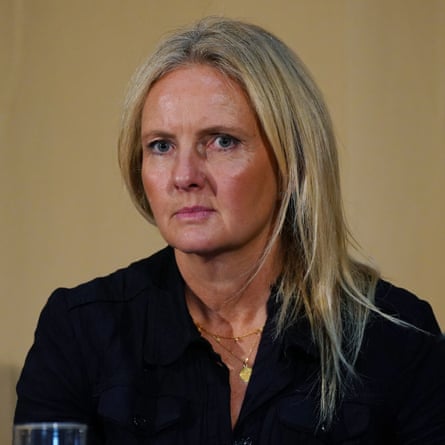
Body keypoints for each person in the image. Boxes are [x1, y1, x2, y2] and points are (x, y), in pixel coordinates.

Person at [14, 16, 445, 444]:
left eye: (222, 141)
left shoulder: (397, 337)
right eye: (161, 146)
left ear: (290, 163)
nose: (184, 176)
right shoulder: (79, 331)